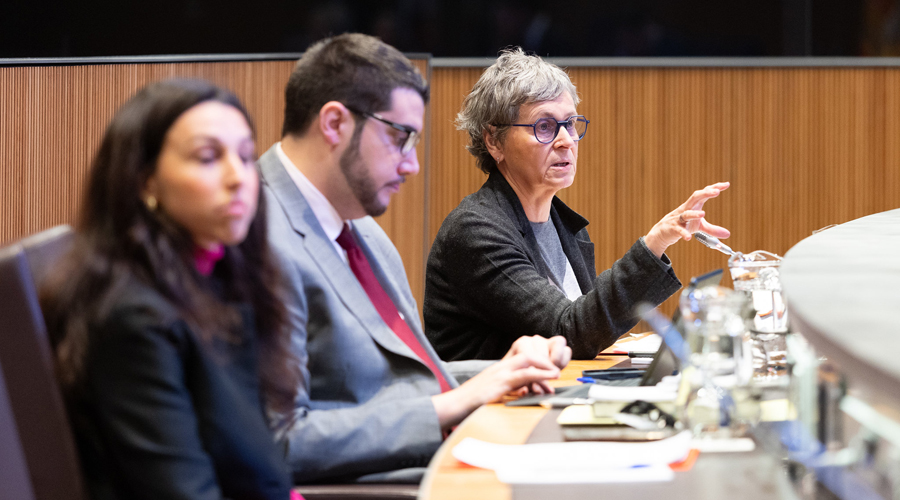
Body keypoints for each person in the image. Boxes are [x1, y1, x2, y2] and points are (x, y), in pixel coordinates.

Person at [261, 33, 571, 484]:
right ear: (334, 124)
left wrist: (507, 371)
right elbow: (279, 442)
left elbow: (402, 382)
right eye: (399, 138)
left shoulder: (361, 229)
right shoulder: (253, 238)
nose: (412, 165)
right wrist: (453, 403)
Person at [41, 79, 301, 500]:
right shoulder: (132, 318)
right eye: (208, 157)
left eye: (245, 156)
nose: (238, 177)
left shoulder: (220, 278)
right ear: (146, 182)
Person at [424, 48, 731, 361]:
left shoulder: (565, 226)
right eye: (544, 126)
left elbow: (588, 329)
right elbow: (570, 332)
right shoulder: (475, 232)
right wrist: (654, 244)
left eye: (569, 124)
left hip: (555, 386)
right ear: (494, 141)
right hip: (489, 393)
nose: (566, 140)